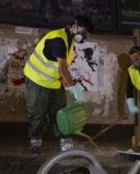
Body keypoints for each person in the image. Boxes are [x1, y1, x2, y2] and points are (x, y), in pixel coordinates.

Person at [24, 15, 94, 154]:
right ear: (74, 26)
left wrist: (70, 83)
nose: (84, 36)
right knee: (38, 114)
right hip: (37, 80)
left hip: (54, 82)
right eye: (83, 31)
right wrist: (75, 89)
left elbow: (61, 69)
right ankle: (35, 142)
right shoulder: (58, 39)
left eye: (86, 34)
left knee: (61, 113)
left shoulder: (69, 42)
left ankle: (66, 144)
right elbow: (62, 68)